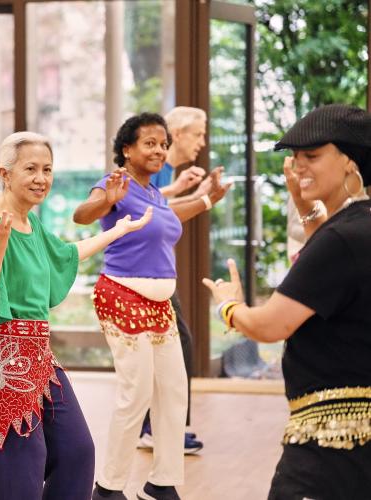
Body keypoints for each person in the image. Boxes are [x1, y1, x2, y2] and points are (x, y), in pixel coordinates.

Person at [0, 131, 153, 500]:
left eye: (47, 169)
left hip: (37, 356)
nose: (41, 178)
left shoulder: (30, 223)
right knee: (23, 466)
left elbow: (65, 254)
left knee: (77, 453)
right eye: (30, 168)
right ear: (5, 173)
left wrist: (117, 232)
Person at [203, 104, 371, 500]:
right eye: (295, 159)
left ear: (350, 162)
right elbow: (330, 266)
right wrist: (306, 206)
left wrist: (229, 306)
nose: (299, 167)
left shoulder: (342, 240)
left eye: (312, 156)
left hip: (329, 445)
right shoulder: (356, 231)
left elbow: (269, 326)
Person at [73, 112, 229, 500]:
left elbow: (169, 215)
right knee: (136, 394)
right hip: (122, 296)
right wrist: (104, 202)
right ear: (126, 149)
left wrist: (208, 198)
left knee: (174, 392)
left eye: (163, 144)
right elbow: (82, 215)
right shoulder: (117, 185)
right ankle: (107, 488)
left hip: (158, 306)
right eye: (150, 143)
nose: (159, 150)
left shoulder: (155, 193)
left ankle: (161, 483)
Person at [138, 106, 223, 454]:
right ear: (178, 133)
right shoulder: (156, 167)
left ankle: (157, 426)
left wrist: (187, 190)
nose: (201, 143)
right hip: (144, 274)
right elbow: (151, 211)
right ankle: (159, 428)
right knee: (177, 345)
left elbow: (157, 204)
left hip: (153, 273)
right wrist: (203, 198)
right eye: (198, 134)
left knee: (168, 349)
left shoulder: (166, 173)